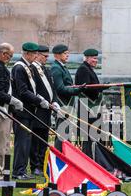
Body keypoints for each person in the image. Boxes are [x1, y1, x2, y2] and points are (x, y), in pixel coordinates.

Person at [11, 42, 50, 180]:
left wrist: (39, 97)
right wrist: (39, 101)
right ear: (26, 53)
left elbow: (32, 89)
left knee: (26, 142)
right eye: (33, 54)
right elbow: (22, 91)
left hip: (29, 111)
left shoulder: (28, 67)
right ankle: (18, 171)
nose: (35, 56)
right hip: (22, 111)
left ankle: (22, 170)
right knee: (22, 142)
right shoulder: (19, 68)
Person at [0, 43, 24, 181]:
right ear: (2, 53)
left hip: (5, 110)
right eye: (10, 56)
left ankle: (4, 172)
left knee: (5, 144)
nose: (10, 58)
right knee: (0, 145)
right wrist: (13, 100)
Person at [29, 45, 61, 176]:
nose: (46, 59)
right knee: (36, 138)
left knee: (44, 138)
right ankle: (35, 165)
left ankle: (42, 163)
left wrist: (54, 101)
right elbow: (33, 88)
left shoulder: (46, 70)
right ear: (37, 55)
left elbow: (52, 88)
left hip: (47, 108)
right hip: (38, 108)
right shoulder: (32, 69)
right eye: (45, 56)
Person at [51, 44, 83, 149]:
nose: (67, 55)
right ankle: (60, 158)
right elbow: (60, 88)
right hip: (62, 105)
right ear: (57, 55)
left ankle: (66, 157)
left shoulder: (62, 67)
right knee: (62, 135)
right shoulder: (56, 68)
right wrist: (77, 90)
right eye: (65, 53)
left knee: (66, 135)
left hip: (67, 105)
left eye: (67, 53)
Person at [74, 48, 106, 156]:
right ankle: (88, 156)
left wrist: (102, 87)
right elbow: (86, 88)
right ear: (87, 58)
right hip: (87, 108)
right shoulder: (83, 69)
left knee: (94, 134)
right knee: (88, 134)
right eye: (94, 58)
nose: (96, 60)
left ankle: (94, 156)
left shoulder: (89, 69)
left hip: (91, 108)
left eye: (97, 58)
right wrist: (101, 88)